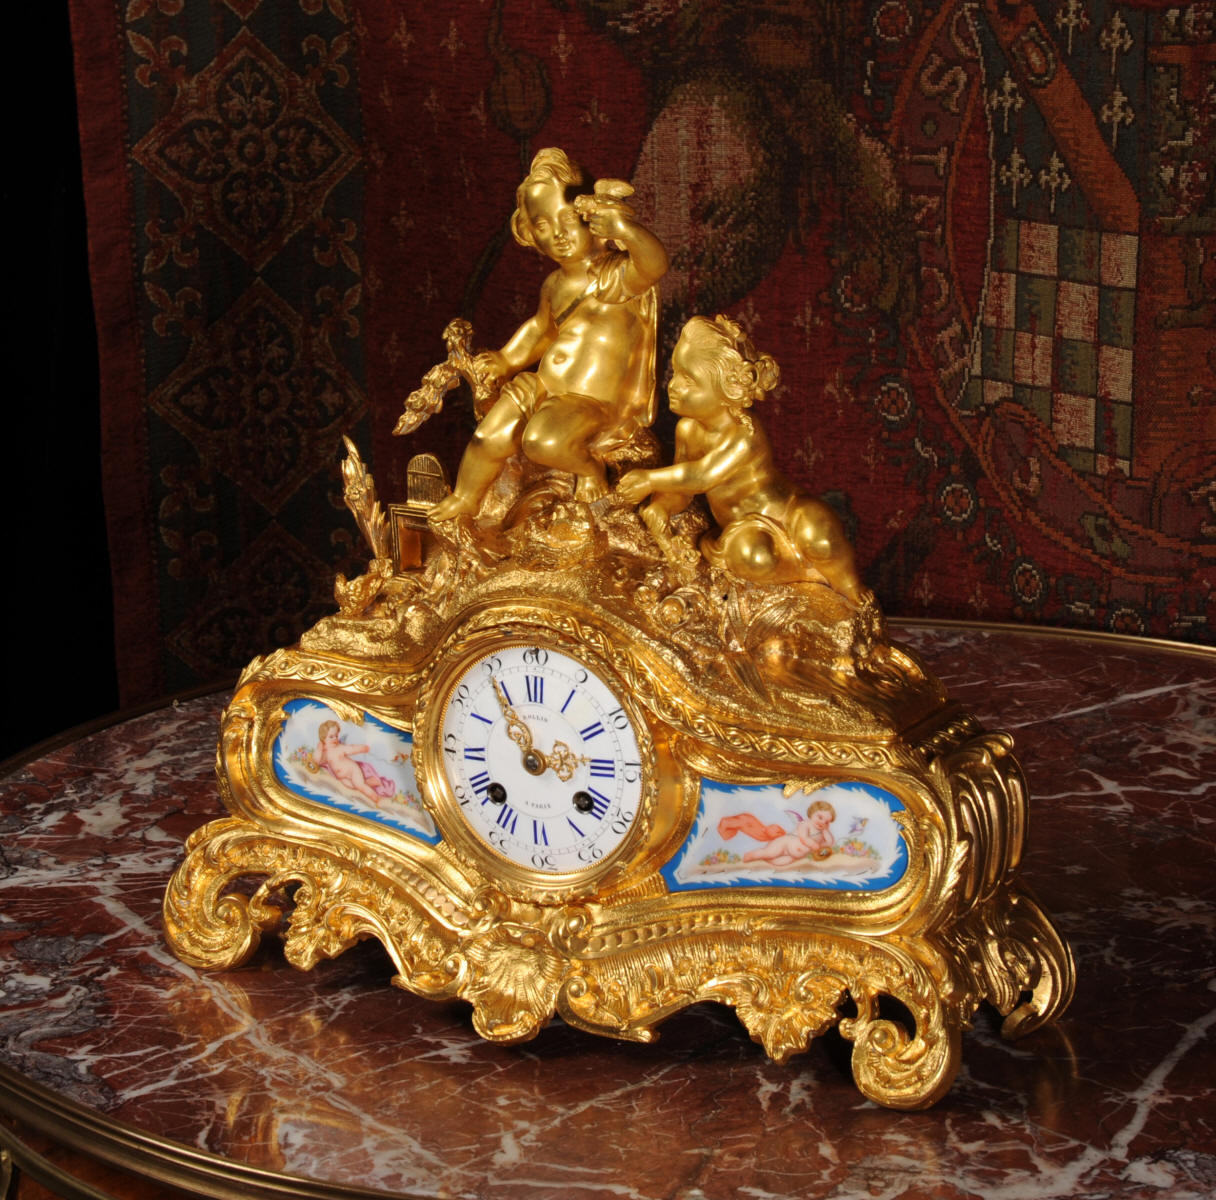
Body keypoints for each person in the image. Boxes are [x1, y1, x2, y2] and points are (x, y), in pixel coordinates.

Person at [429, 148, 668, 519]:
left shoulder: (616, 276)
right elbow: (540, 330)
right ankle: (465, 501)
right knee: (487, 437)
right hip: (544, 387)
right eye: (542, 226)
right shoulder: (554, 285)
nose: (558, 233)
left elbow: (655, 264)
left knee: (542, 441)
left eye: (568, 218)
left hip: (591, 402)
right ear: (529, 235)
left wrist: (624, 230)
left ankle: (590, 469)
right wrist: (506, 359)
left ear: (591, 217)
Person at [616, 315, 866, 605]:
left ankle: (848, 589)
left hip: (788, 513)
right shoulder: (688, 430)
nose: (673, 385)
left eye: (689, 380)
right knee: (752, 557)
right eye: (675, 373)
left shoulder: (745, 433)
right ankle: (805, 577)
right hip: (743, 529)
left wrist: (649, 479)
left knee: (819, 534)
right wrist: (662, 507)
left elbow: (702, 476)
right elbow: (682, 490)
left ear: (728, 391)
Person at [718, 799, 837, 867]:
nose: (822, 822)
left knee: (778, 863)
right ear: (812, 814)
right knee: (768, 853)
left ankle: (762, 861)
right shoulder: (805, 824)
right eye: (820, 817)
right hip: (784, 844)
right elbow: (803, 837)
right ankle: (748, 857)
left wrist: (826, 832)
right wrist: (813, 844)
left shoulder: (823, 831)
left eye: (827, 821)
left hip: (793, 856)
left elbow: (830, 842)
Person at [315, 720, 394, 805]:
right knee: (352, 786)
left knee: (359, 785)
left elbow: (352, 749)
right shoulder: (325, 753)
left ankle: (376, 798)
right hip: (342, 777)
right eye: (331, 737)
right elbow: (317, 761)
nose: (335, 738)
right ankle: (371, 781)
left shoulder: (340, 748)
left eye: (336, 736)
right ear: (323, 739)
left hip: (353, 771)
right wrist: (319, 749)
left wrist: (363, 748)